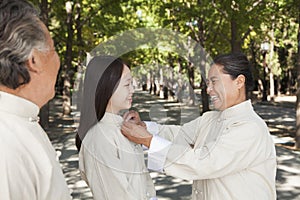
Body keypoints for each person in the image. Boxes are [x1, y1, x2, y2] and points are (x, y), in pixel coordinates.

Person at [121, 53, 277, 199]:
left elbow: (203, 162)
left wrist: (148, 140)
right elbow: (179, 135)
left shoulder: (250, 128)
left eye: (214, 82)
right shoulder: (210, 119)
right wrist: (144, 128)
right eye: (208, 83)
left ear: (239, 82)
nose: (209, 90)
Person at [0, 0, 71, 199]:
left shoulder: (20, 123)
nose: (57, 59)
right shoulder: (7, 144)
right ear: (34, 60)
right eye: (54, 49)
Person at [75, 55, 156, 200]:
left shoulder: (122, 128)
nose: (132, 90)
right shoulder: (99, 138)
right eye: (127, 84)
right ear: (107, 87)